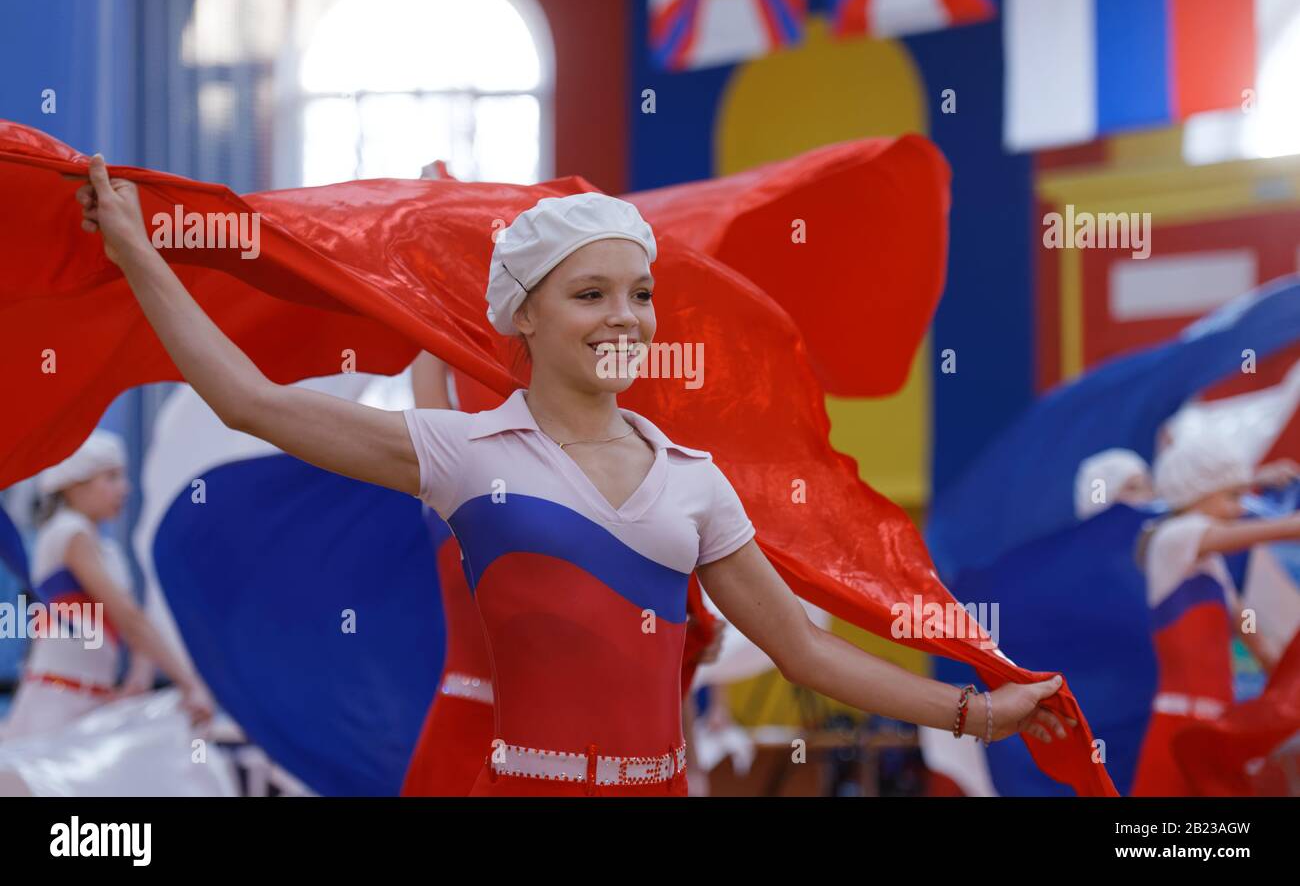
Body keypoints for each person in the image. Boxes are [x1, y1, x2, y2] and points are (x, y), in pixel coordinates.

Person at [72, 155, 1073, 796]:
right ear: (523, 319)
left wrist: (977, 710)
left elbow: (807, 656)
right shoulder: (466, 456)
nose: (625, 318)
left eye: (638, 294)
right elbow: (250, 400)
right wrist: (134, 251)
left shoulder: (693, 481)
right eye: (589, 295)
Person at [1, 430, 213, 741]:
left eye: (123, 477)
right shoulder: (68, 532)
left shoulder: (108, 552)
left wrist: (139, 678)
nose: (124, 489)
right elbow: (129, 617)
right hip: (55, 704)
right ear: (74, 484)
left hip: (90, 702)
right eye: (111, 477)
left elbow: (134, 624)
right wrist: (189, 683)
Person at [1130, 437, 1299, 796]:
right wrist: (1288, 523)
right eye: (1233, 497)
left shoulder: (1213, 568)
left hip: (1218, 731)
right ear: (1196, 493)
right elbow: (1265, 530)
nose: (1240, 509)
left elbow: (1258, 642)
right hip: (1178, 729)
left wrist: (1286, 695)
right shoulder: (1172, 540)